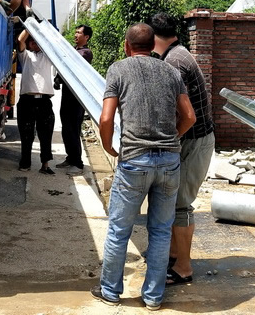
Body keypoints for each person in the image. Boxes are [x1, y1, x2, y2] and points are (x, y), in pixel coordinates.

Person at [93, 23, 196, 310]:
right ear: (152, 46)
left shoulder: (118, 69)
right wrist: (171, 138)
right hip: (169, 162)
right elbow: (189, 116)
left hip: (134, 161)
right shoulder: (171, 72)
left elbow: (105, 119)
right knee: (161, 231)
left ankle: (110, 291)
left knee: (119, 229)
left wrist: (108, 145)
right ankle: (153, 297)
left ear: (127, 46)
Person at [149, 12, 216, 286]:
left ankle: (184, 268)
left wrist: (170, 138)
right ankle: (175, 254)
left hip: (193, 140)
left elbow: (184, 114)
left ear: (154, 38)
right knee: (177, 200)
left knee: (181, 204)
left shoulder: (174, 62)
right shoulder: (179, 54)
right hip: (193, 139)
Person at [55, 25, 93, 175]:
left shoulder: (85, 53)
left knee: (73, 129)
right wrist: (58, 79)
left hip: (77, 99)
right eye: (76, 32)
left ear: (87, 37)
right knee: (66, 129)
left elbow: (71, 63)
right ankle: (70, 158)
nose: (76, 35)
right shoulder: (73, 50)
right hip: (67, 96)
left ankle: (78, 163)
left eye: (79, 33)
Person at [16, 29, 56, 174]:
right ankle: (25, 163)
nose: (34, 42)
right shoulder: (26, 56)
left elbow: (53, 43)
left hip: (44, 101)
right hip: (27, 101)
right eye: (31, 40)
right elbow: (20, 41)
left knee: (46, 134)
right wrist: (29, 27)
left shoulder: (48, 56)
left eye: (36, 40)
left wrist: (41, 31)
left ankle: (45, 165)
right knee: (26, 134)